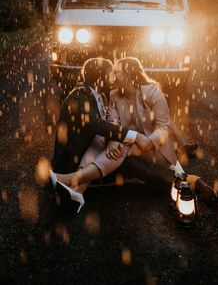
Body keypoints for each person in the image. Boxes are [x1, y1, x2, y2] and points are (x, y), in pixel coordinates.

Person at [53, 57, 218, 211]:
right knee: (112, 146)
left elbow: (164, 127)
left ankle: (73, 181)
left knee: (123, 146)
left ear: (128, 75)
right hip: (129, 148)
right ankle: (77, 190)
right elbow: (112, 121)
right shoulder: (113, 95)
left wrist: (144, 142)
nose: (113, 76)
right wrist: (113, 139)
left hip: (154, 149)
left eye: (116, 72)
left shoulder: (153, 92)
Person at [50, 57, 152, 212]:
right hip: (71, 161)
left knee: (123, 154)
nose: (113, 78)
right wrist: (134, 136)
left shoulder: (99, 95)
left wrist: (113, 138)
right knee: (128, 161)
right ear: (101, 78)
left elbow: (106, 126)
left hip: (89, 152)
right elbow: (96, 125)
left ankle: (76, 194)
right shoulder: (80, 95)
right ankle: (173, 180)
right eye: (110, 74)